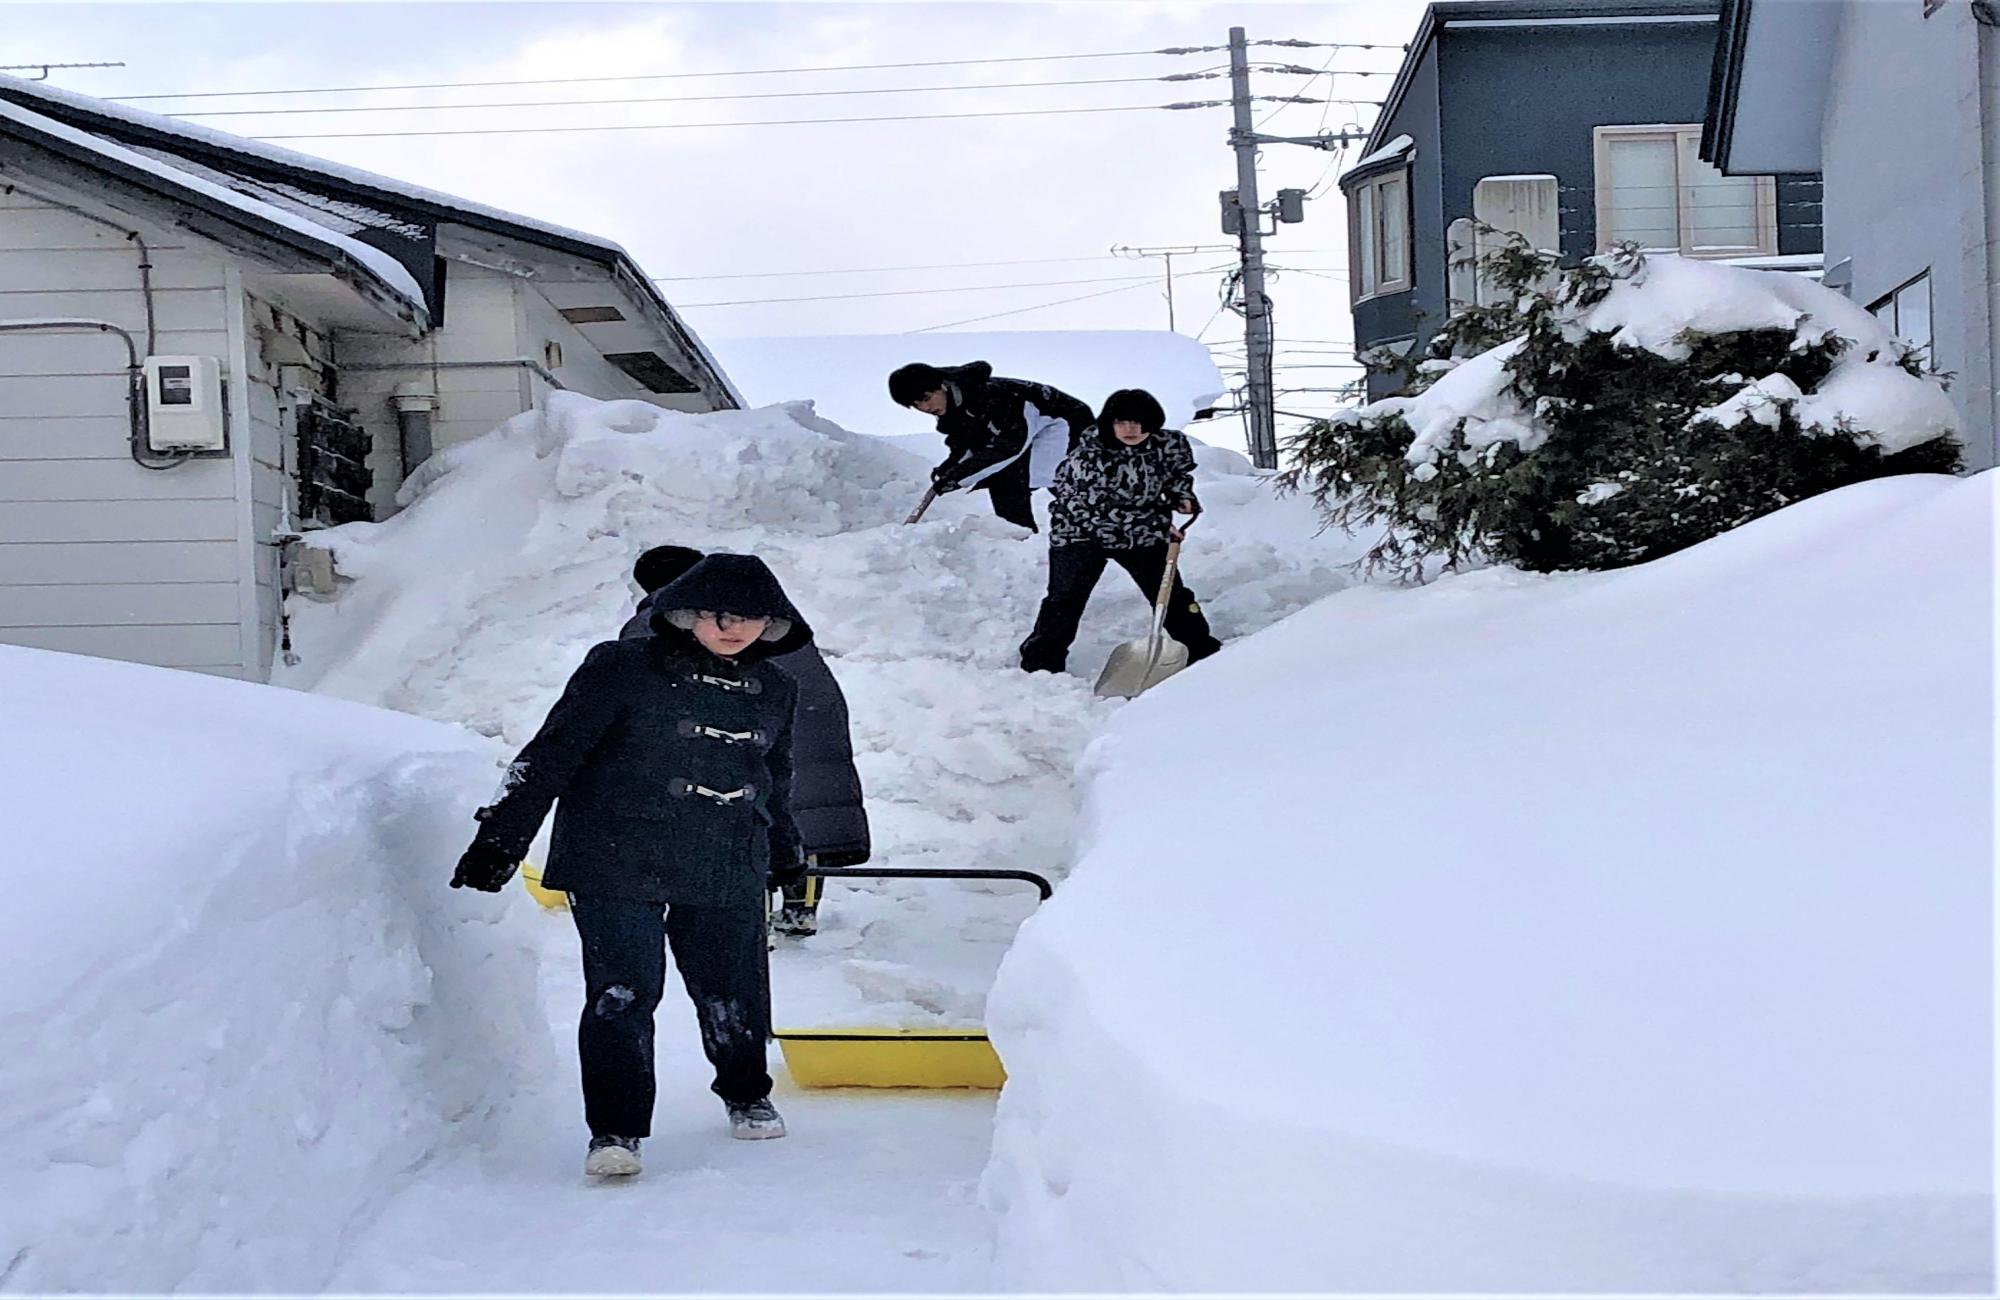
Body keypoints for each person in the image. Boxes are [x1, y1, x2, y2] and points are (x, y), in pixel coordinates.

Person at [451, 553, 811, 1179]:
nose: (736, 629)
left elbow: (772, 779)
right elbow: (552, 752)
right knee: (623, 991)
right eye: (720, 614)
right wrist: (502, 838)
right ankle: (614, 1130)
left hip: (725, 854)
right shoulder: (621, 667)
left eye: (754, 617)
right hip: (617, 854)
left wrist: (786, 853)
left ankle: (745, 1090)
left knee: (733, 983)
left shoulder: (777, 688)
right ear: (686, 612)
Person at [620, 545, 870, 937]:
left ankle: (753, 918)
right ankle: (800, 908)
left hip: (751, 720)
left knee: (746, 815)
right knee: (805, 810)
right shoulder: (762, 608)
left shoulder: (667, 620)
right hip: (813, 716)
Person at [1018, 388, 1224, 674]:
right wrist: (1160, 524)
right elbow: (1090, 506)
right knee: (1064, 600)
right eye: (1122, 422)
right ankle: (1041, 662)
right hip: (1080, 534)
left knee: (1171, 596)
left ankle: (1202, 650)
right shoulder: (1088, 456)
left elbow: (1176, 476)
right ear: (1109, 423)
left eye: (1139, 422)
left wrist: (1182, 497)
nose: (1130, 429)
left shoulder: (1168, 446)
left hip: (1143, 534)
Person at [888, 361, 1096, 532]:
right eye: (916, 405)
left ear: (941, 385)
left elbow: (1010, 445)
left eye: (926, 398)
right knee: (1006, 479)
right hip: (1032, 432)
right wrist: (949, 469)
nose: (925, 408)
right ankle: (1019, 537)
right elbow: (967, 445)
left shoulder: (995, 397)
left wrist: (959, 476)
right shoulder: (953, 408)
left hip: (1067, 423)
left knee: (1052, 475)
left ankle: (1095, 527)